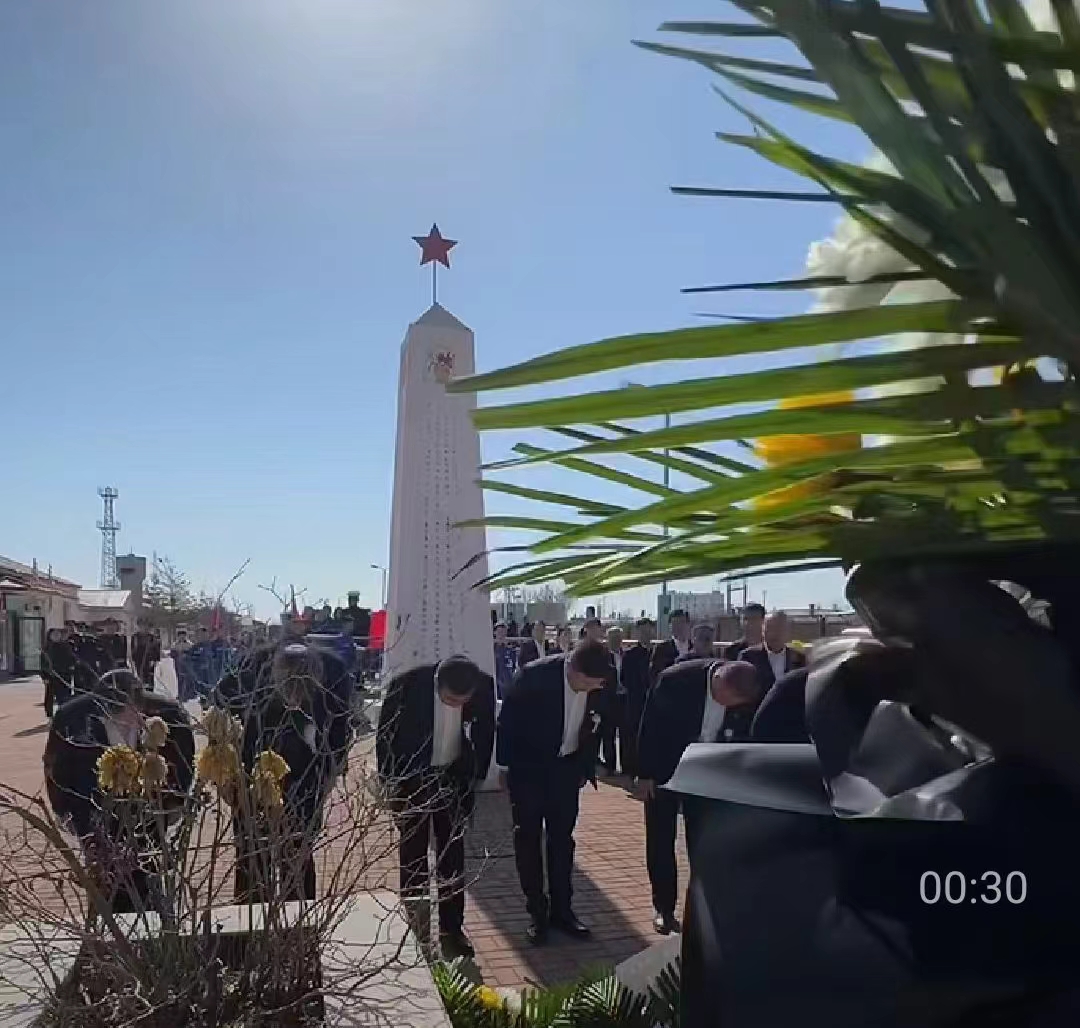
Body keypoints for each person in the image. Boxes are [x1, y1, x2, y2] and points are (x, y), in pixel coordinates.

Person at [43, 668, 195, 913]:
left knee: (149, 881)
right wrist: (67, 815)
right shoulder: (71, 719)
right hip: (94, 815)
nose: (128, 722)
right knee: (105, 888)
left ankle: (154, 924)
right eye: (118, 717)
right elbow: (56, 770)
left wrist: (174, 804)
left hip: (150, 815)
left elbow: (184, 760)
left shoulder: (168, 714)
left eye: (131, 713)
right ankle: (106, 926)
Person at [214, 639, 355, 901]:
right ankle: (251, 920)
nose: (294, 692)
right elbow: (220, 713)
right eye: (289, 682)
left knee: (298, 855)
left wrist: (329, 774)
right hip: (251, 776)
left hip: (307, 776)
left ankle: (299, 920)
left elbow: (340, 731)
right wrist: (225, 774)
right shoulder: (249, 672)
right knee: (252, 855)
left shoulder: (333, 674)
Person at [376, 656, 496, 957]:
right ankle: (415, 927)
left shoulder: (483, 687)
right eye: (450, 699)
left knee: (452, 856)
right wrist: (389, 782)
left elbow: (486, 732)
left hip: (453, 779)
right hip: (413, 780)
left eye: (462, 702)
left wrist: (476, 775)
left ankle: (451, 928)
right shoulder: (406, 685)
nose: (456, 705)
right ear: (437, 683)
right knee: (413, 855)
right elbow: (385, 737)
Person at [636, 660, 763, 935]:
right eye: (723, 698)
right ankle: (663, 908)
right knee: (660, 840)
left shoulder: (747, 692)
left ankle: (701, 909)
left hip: (707, 776)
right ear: (716, 679)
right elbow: (649, 725)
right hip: (665, 770)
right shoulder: (674, 681)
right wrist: (644, 774)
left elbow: (746, 737)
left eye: (734, 703)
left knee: (704, 843)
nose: (727, 706)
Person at [496, 639, 609, 944]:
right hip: (529, 770)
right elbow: (507, 723)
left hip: (566, 771)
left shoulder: (600, 680)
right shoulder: (533, 677)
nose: (594, 689)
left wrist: (585, 766)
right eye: (589, 683)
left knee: (562, 841)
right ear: (573, 669)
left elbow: (600, 724)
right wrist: (504, 767)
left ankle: (563, 910)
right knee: (528, 839)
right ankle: (537, 912)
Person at [620, 618, 655, 778]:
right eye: (642, 631)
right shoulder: (630, 655)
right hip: (636, 702)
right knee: (632, 737)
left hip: (654, 703)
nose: (646, 634)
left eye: (648, 631)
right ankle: (631, 771)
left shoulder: (658, 653)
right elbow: (624, 679)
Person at [741, 612, 807, 694]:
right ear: (762, 631)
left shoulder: (799, 658)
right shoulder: (748, 657)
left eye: (780, 629)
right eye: (770, 628)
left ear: (789, 632)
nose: (775, 634)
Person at [599, 625, 626, 775]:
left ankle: (625, 766)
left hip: (623, 699)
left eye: (618, 638)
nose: (615, 641)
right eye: (612, 638)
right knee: (608, 734)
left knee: (624, 734)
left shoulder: (626, 655)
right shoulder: (603, 657)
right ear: (607, 639)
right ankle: (610, 766)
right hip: (608, 699)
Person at [42, 626, 76, 717]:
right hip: (52, 675)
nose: (56, 637)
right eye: (54, 635)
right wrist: (44, 676)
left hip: (64, 675)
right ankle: (50, 714)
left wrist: (71, 668)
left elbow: (71, 659)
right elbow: (43, 664)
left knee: (64, 695)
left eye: (58, 635)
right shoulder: (46, 649)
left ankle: (64, 712)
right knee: (50, 696)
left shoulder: (65, 646)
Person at [650, 609, 691, 684]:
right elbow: (655, 676)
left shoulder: (696, 647)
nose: (679, 627)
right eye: (675, 623)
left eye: (682, 622)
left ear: (688, 624)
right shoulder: (661, 649)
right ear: (669, 626)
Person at [131, 619, 161, 685]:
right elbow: (132, 650)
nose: (144, 628)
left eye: (146, 625)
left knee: (149, 679)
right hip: (138, 661)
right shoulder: (135, 637)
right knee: (139, 679)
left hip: (149, 661)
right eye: (142, 625)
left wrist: (154, 660)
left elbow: (156, 650)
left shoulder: (152, 638)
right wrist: (132, 661)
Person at [492, 622, 516, 699]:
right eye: (499, 632)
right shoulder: (491, 649)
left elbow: (513, 666)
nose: (501, 635)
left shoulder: (510, 650)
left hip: (506, 682)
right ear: (495, 632)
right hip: (494, 680)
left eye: (503, 632)